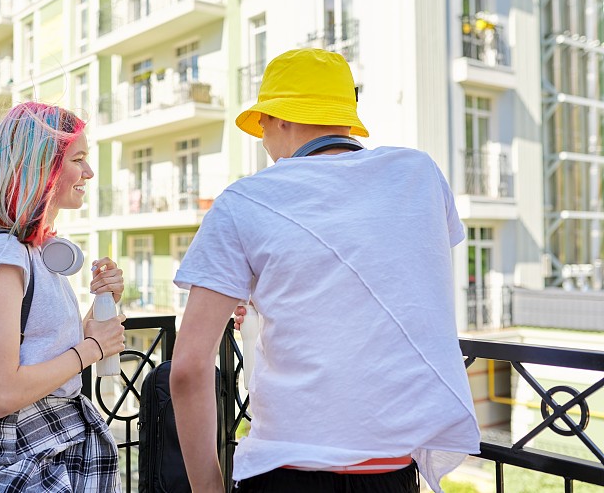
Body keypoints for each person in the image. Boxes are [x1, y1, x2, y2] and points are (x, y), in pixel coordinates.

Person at [170, 49, 480, 493]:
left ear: (281, 120)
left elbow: (187, 368)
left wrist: (207, 489)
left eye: (261, 125)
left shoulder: (245, 200)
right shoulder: (419, 175)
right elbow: (386, 277)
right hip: (390, 471)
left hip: (287, 472)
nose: (262, 139)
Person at [0, 102, 126, 492]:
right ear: (42, 168)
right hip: (27, 455)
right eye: (78, 159)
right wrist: (92, 349)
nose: (89, 172)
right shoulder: (6, 255)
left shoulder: (32, 252)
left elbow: (43, 349)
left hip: (47, 446)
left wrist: (102, 310)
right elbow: (1, 394)